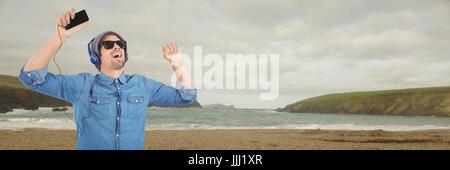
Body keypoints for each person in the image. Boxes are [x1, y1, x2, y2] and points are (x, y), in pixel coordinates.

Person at [18, 8, 197, 150]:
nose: (117, 47)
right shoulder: (81, 85)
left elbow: (187, 96)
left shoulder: (143, 85)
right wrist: (60, 37)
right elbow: (30, 77)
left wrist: (178, 65)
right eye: (109, 45)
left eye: (121, 44)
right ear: (96, 57)